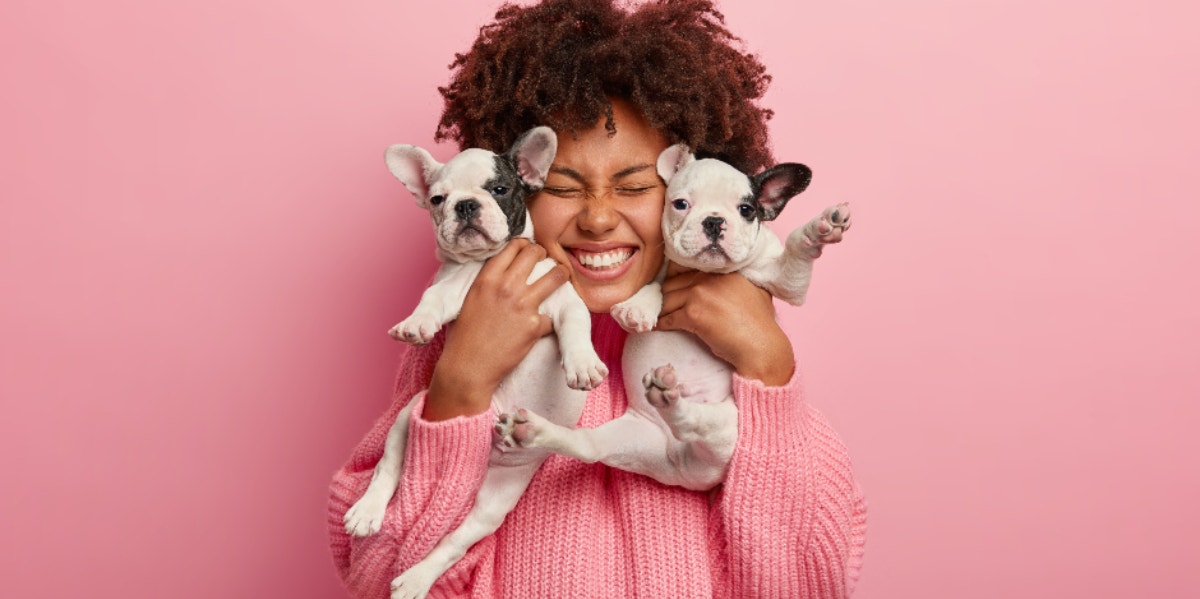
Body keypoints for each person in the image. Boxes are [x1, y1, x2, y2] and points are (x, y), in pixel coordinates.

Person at [328, 0, 867, 597]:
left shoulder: (737, 339)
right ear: (521, 184)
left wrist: (769, 367)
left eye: (638, 186)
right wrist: (463, 380)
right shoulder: (459, 326)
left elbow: (813, 577)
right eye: (563, 186)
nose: (600, 217)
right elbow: (381, 577)